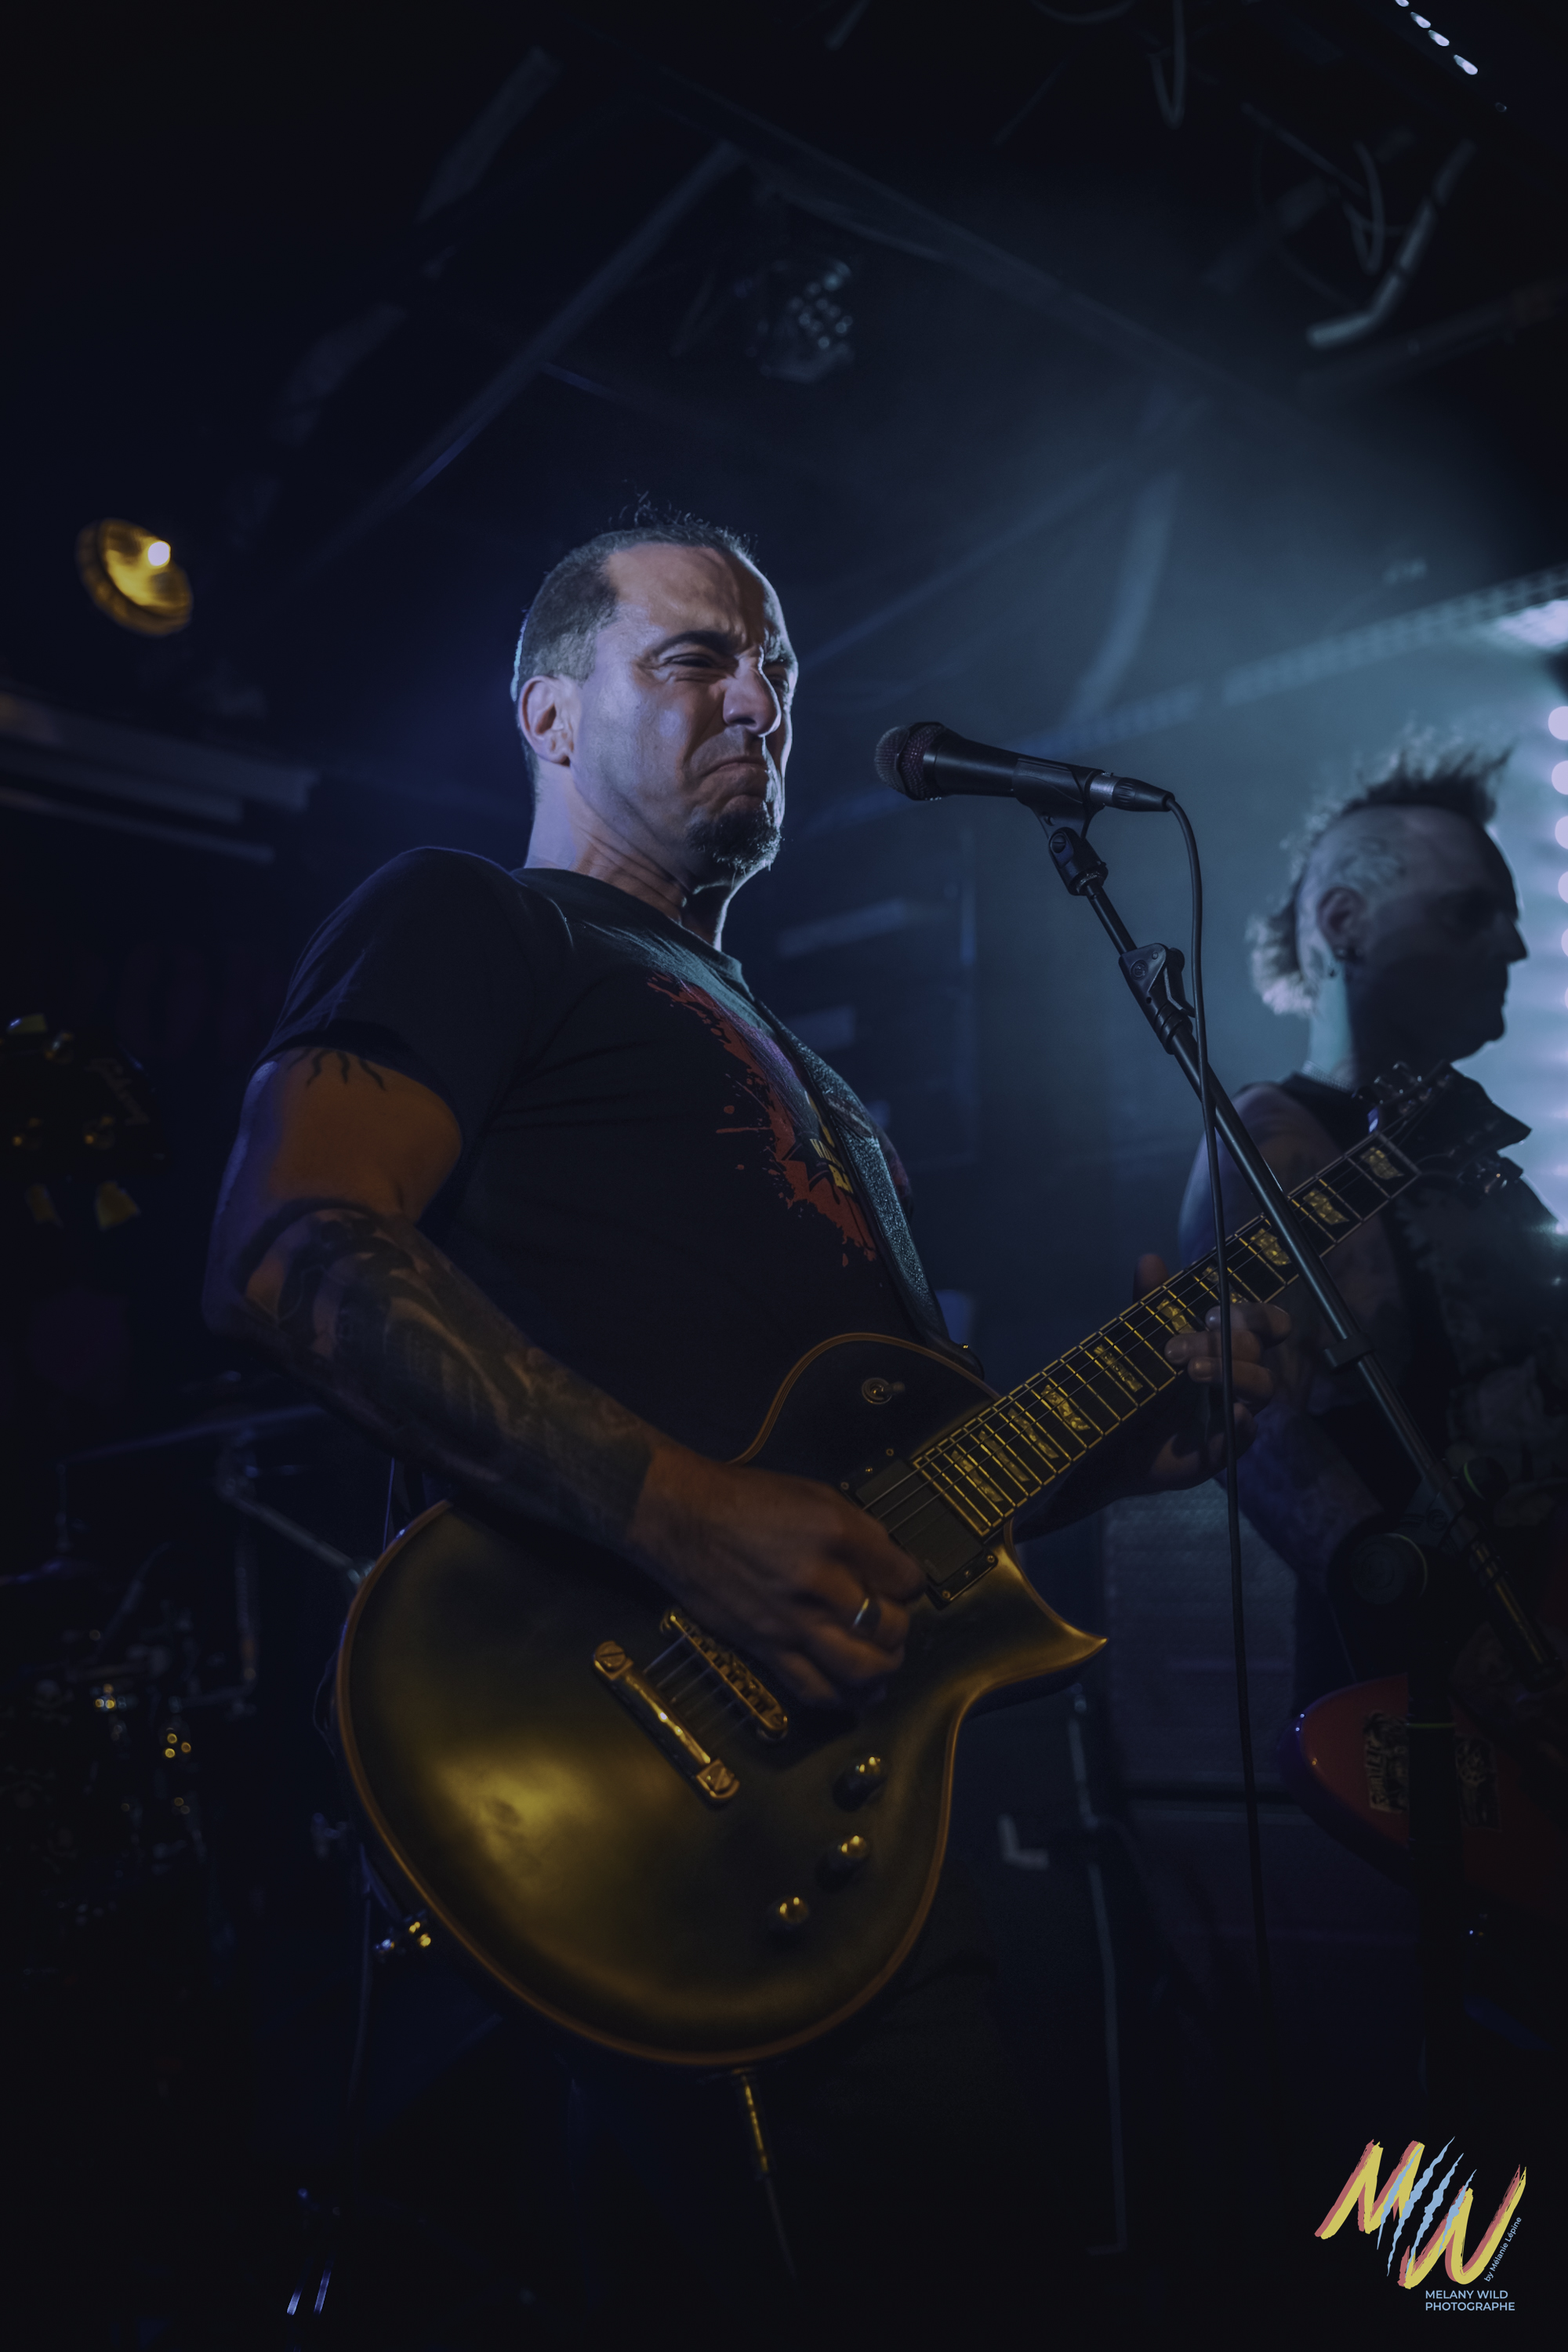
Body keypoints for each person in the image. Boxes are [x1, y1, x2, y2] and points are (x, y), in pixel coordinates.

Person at [205, 514, 1283, 2343]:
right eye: (696, 657)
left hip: (830, 1810)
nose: (760, 701)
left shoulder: (824, 1087)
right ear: (550, 711)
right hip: (622, 1760)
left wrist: (1131, 1442)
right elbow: (288, 1245)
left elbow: (883, 1505)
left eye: (775, 667)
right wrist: (681, 1516)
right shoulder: (476, 919)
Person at [1176, 744, 1568, 1762]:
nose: (1516, 945)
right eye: (1471, 912)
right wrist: (1459, 1641)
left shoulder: (1466, 1147)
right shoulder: (1275, 1140)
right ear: (1345, 922)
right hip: (1434, 1726)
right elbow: (1256, 1425)